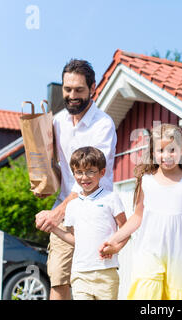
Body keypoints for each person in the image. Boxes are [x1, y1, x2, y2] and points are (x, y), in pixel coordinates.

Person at [99, 123, 182, 300]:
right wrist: (112, 239)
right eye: (161, 151)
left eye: (172, 150)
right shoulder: (146, 181)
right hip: (149, 253)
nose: (166, 156)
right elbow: (137, 217)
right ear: (153, 152)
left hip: (180, 257)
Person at [34, 59, 117, 300]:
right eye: (67, 89)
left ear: (93, 89)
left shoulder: (103, 125)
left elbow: (88, 179)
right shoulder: (58, 121)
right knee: (58, 281)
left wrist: (55, 213)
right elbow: (59, 169)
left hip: (96, 214)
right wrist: (44, 184)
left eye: (79, 90)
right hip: (65, 213)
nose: (72, 95)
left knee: (91, 285)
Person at [49, 146, 128, 300]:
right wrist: (54, 228)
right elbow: (75, 240)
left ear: (102, 172)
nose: (84, 177)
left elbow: (125, 230)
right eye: (79, 172)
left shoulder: (111, 199)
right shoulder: (72, 206)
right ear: (74, 173)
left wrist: (115, 248)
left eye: (90, 171)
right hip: (80, 273)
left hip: (106, 273)